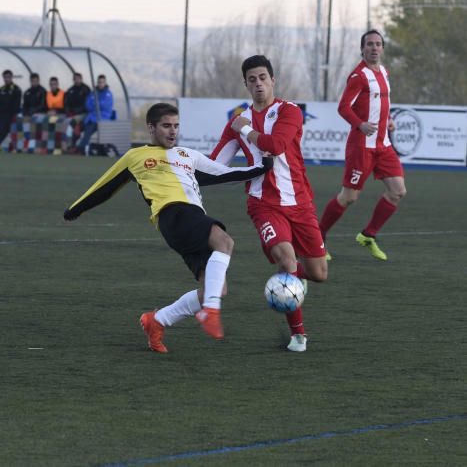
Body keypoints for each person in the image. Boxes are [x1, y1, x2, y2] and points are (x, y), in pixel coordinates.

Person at [64, 102, 273, 353]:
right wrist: (75, 209)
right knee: (224, 241)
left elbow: (223, 174)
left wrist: (261, 168)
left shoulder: (188, 155)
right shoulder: (135, 157)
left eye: (176, 126)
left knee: (216, 288)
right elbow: (103, 186)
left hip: (191, 218)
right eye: (166, 126)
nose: (172, 131)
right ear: (151, 128)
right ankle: (211, 312)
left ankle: (157, 320)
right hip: (172, 214)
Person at [211, 55, 327, 353]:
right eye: (252, 79)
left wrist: (245, 129)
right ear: (246, 84)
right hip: (263, 205)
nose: (259, 83)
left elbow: (274, 146)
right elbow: (214, 164)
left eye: (263, 77)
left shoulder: (289, 112)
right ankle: (298, 335)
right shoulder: (236, 123)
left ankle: (288, 279)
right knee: (287, 260)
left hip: (300, 202)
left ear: (273, 79)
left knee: (318, 274)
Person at [318, 29, 407, 261]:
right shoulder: (358, 76)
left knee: (398, 191)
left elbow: (380, 103)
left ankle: (368, 235)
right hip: (362, 146)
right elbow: (343, 107)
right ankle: (317, 238)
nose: (374, 48)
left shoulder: (384, 72)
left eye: (378, 44)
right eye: (370, 44)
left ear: (383, 48)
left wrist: (388, 120)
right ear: (363, 48)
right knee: (349, 197)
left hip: (383, 145)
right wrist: (360, 125)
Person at [78, 74, 114, 155]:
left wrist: (96, 103)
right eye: (99, 82)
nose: (100, 84)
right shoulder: (93, 92)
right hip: (92, 117)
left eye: (102, 82)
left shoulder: (108, 94)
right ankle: (79, 146)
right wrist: (96, 104)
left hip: (103, 118)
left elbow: (105, 106)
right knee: (80, 127)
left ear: (105, 83)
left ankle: (82, 147)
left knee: (89, 129)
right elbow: (88, 104)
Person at [0, 69, 22, 145]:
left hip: (10, 114)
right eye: (5, 77)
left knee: (3, 129)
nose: (6, 79)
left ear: (11, 77)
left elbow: (16, 104)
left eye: (8, 77)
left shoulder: (16, 89)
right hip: (1, 114)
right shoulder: (1, 89)